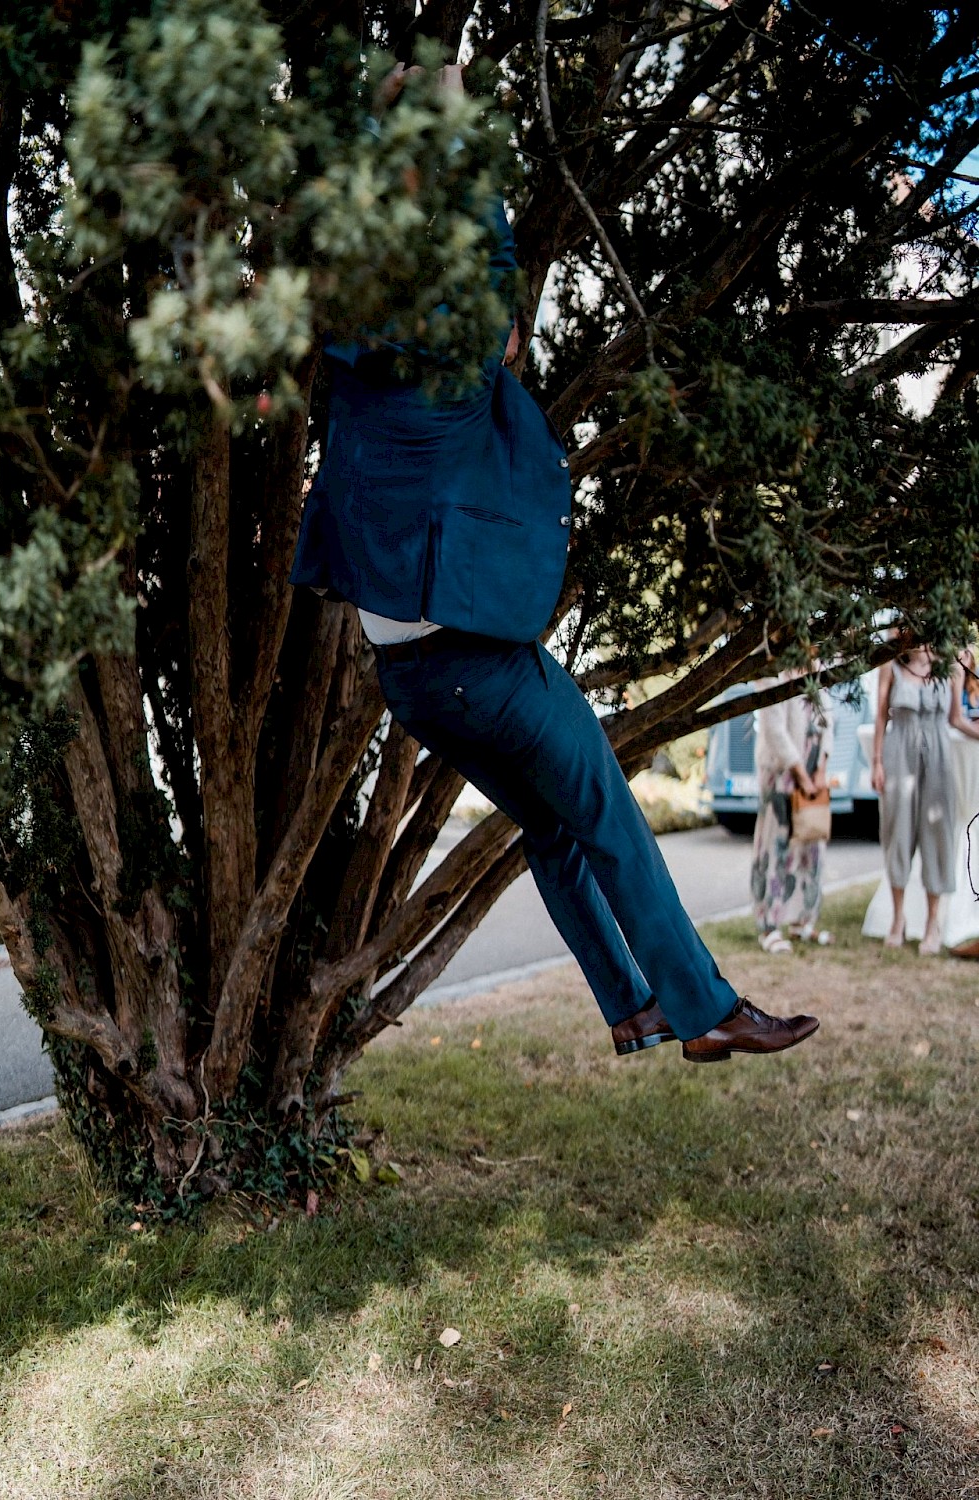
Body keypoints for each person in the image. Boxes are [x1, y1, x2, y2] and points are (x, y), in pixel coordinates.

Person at [290, 62, 819, 1064]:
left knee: (554, 826)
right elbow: (489, 258)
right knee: (608, 814)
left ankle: (632, 1008)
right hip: (477, 665)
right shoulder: (447, 381)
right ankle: (706, 1010)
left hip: (412, 678)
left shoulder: (355, 378)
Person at [871, 635, 979, 954]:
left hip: (938, 756)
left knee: (938, 835)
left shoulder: (950, 665)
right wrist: (876, 762)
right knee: (897, 835)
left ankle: (933, 924)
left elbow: (956, 718)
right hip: (898, 753)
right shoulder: (891, 663)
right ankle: (897, 919)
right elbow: (880, 715)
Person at [751, 676, 834, 954]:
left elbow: (827, 719)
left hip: (812, 772)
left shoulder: (816, 667)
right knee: (777, 849)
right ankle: (769, 926)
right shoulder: (772, 672)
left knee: (813, 847)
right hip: (781, 773)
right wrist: (798, 772)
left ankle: (803, 921)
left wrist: (820, 768)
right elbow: (774, 730)